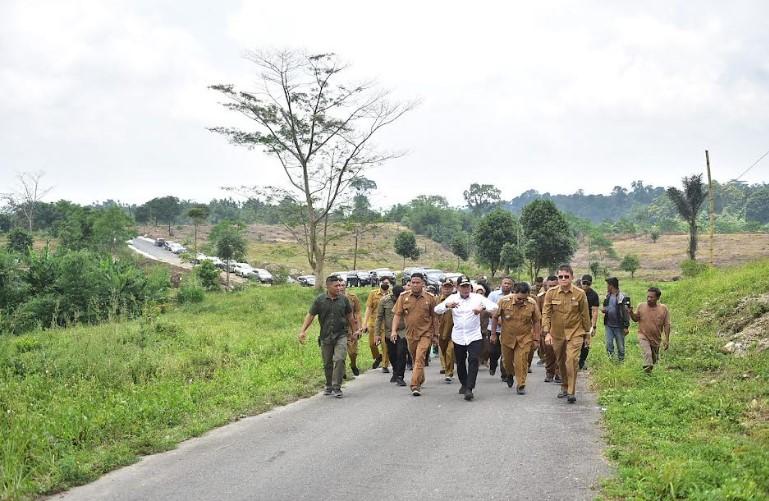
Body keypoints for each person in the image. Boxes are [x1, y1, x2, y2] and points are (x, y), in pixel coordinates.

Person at [435, 277, 499, 401]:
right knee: (460, 361)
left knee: (473, 359)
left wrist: (482, 308)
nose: (465, 289)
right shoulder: (452, 298)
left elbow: (495, 307)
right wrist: (448, 306)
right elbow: (436, 309)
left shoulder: (477, 298)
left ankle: (470, 388)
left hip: (474, 335)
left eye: (467, 286)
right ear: (458, 287)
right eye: (463, 286)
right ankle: (464, 384)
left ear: (471, 287)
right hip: (458, 336)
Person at [298, 275, 358, 398]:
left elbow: (350, 317)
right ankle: (329, 385)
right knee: (327, 363)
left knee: (340, 359)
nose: (339, 288)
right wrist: (303, 331)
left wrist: (354, 332)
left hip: (341, 335)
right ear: (328, 286)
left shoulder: (344, 300)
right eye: (336, 286)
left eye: (340, 285)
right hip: (325, 336)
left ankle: (337, 387)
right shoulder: (319, 300)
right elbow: (310, 315)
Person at [542, 264, 590, 404]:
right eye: (561, 277)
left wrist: (587, 334)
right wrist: (547, 332)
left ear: (572, 277)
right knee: (561, 361)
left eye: (566, 276)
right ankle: (564, 385)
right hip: (557, 334)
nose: (563, 279)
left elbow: (585, 315)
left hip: (575, 332)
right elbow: (546, 313)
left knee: (572, 360)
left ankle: (571, 391)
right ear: (557, 278)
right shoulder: (551, 293)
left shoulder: (580, 294)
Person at [392, 272, 439, 396]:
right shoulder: (403, 297)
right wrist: (393, 331)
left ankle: (414, 385)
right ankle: (420, 378)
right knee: (415, 359)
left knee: (419, 357)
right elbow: (397, 315)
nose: (415, 285)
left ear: (423, 284)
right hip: (410, 334)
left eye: (418, 283)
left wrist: (435, 334)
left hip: (426, 333)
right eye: (413, 282)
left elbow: (434, 317)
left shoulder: (430, 298)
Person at [490, 282, 541, 394]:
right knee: (506, 362)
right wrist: (493, 334)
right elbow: (495, 317)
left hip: (525, 338)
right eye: (519, 298)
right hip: (507, 337)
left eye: (524, 298)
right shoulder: (504, 301)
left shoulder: (532, 303)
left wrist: (537, 338)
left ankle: (521, 384)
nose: (522, 301)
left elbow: (537, 321)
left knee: (521, 361)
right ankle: (509, 374)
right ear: (514, 293)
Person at [629, 287, 671, 373]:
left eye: (652, 297)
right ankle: (646, 370)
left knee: (654, 360)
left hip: (656, 339)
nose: (649, 299)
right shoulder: (641, 306)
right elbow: (636, 319)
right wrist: (631, 313)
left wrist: (667, 339)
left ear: (658, 298)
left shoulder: (663, 309)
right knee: (648, 354)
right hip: (643, 335)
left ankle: (648, 374)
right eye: (648, 296)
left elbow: (667, 325)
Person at [375, 285, 408, 385]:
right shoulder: (384, 301)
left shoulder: (407, 300)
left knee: (401, 353)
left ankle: (400, 376)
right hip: (389, 332)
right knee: (392, 354)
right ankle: (395, 370)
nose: (398, 299)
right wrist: (377, 334)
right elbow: (379, 317)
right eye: (396, 296)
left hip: (403, 331)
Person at [362, 278, 391, 373]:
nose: (385, 284)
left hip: (386, 324)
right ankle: (378, 357)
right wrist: (364, 323)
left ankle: (384, 365)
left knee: (385, 345)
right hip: (373, 323)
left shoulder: (391, 295)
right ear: (380, 283)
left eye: (387, 283)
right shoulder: (373, 294)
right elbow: (368, 309)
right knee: (372, 344)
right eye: (383, 283)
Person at [487, 277, 514, 377]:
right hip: (494, 328)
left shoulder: (514, 297)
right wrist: (497, 319)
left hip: (507, 330)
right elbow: (488, 309)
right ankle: (493, 365)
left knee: (506, 353)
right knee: (493, 351)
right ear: (501, 284)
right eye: (505, 283)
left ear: (512, 286)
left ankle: (505, 374)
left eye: (509, 284)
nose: (506, 285)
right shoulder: (493, 295)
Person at [537, 275, 560, 382]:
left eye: (554, 285)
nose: (552, 288)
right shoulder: (541, 297)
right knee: (549, 352)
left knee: (560, 352)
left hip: (560, 327)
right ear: (545, 286)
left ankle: (559, 373)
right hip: (546, 329)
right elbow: (537, 315)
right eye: (549, 286)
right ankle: (550, 372)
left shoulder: (562, 296)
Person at [602, 277, 630, 363]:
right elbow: (606, 307)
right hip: (609, 325)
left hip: (619, 326)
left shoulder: (623, 297)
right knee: (609, 345)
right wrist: (604, 310)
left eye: (608, 285)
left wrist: (626, 326)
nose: (607, 287)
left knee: (620, 346)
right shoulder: (608, 296)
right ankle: (611, 361)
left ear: (611, 286)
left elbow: (626, 312)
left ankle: (621, 362)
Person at [578, 275, 600, 370]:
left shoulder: (594, 295)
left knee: (586, 343)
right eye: (584, 283)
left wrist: (594, 326)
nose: (585, 285)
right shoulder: (576, 292)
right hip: (575, 321)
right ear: (581, 282)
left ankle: (582, 361)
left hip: (587, 322)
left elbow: (595, 311)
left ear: (591, 284)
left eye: (588, 283)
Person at [436, 280, 456, 383]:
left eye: (449, 287)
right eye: (445, 287)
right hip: (441, 330)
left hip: (454, 331)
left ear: (452, 289)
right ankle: (446, 367)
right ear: (441, 289)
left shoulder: (457, 300)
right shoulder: (437, 300)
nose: (447, 289)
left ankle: (449, 372)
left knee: (450, 351)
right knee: (443, 351)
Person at [341, 281, 362, 376]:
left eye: (342, 285)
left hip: (351, 327)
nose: (340, 287)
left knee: (353, 352)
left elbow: (357, 312)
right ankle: (341, 371)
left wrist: (359, 328)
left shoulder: (352, 297)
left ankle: (353, 364)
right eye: (338, 285)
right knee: (340, 351)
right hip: (339, 328)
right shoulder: (332, 298)